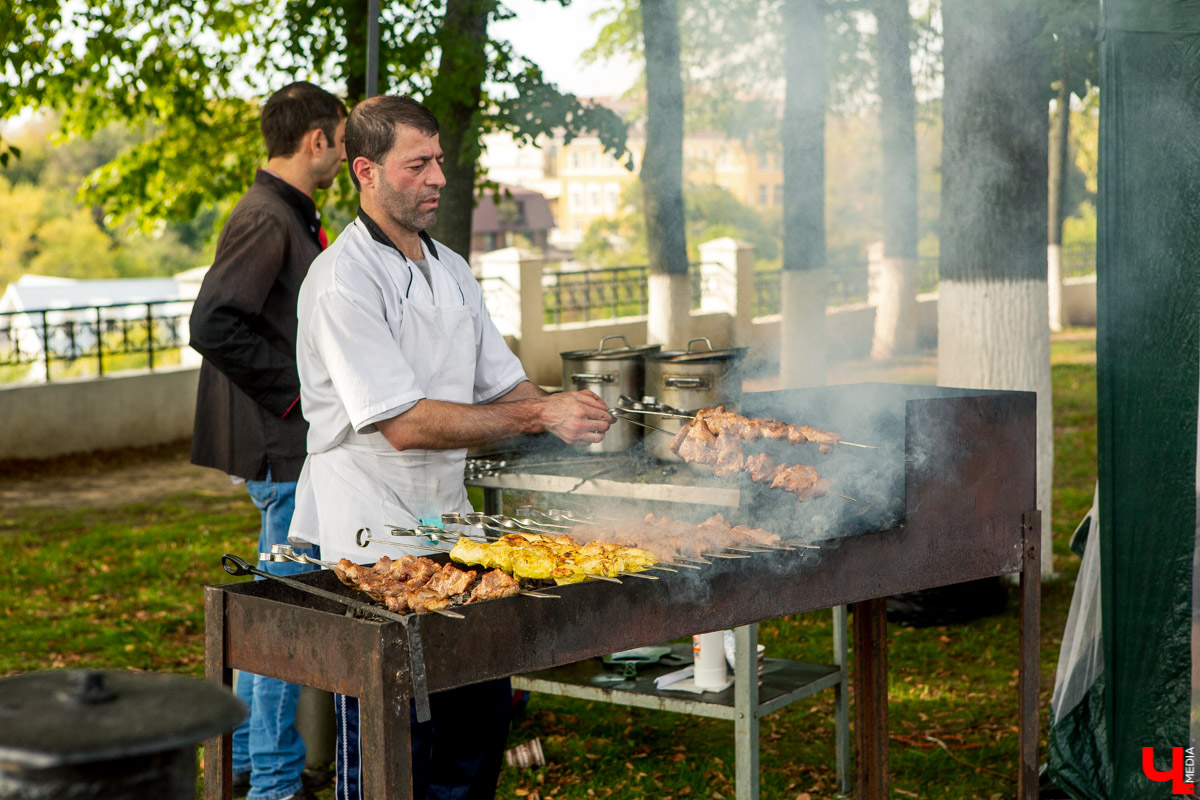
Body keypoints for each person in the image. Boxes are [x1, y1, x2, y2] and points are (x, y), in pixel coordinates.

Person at [288, 94, 611, 799]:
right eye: (418, 165)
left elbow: (504, 385)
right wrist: (538, 417)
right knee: (390, 747)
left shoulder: (454, 269)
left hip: (449, 525)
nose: (438, 177)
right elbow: (402, 423)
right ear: (366, 172)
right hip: (367, 537)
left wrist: (571, 414)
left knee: (477, 723)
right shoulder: (342, 280)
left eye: (439, 160)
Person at [190, 80, 347, 800]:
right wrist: (300, 395)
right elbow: (214, 322)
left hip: (286, 448)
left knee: (269, 616)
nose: (344, 156)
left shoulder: (286, 211)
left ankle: (255, 768)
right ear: (316, 139)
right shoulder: (265, 216)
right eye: (340, 141)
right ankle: (275, 788)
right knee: (284, 624)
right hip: (282, 450)